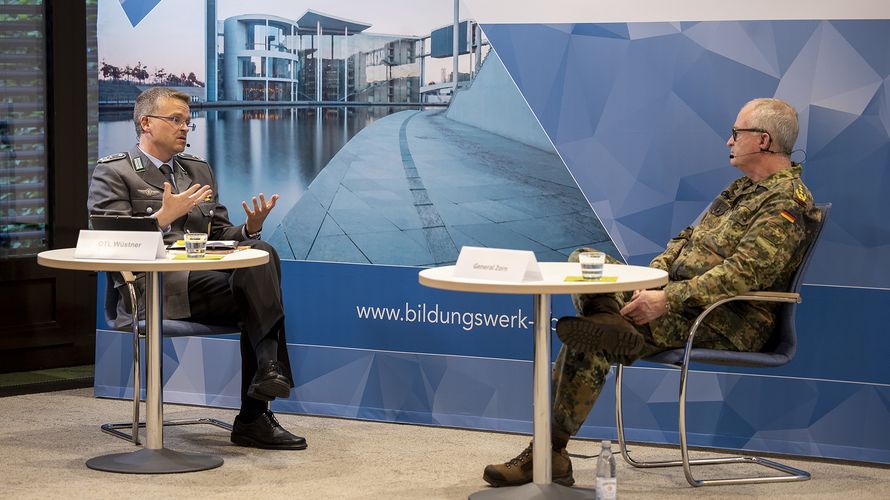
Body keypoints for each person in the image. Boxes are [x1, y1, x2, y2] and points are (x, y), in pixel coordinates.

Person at [482, 97, 822, 487]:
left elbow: (744, 274)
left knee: (590, 339)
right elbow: (685, 241)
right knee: (585, 259)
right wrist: (651, 281)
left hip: (726, 319)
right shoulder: (740, 189)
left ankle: (548, 453)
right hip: (677, 299)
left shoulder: (787, 201)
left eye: (735, 133)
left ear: (763, 140)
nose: (729, 142)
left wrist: (666, 299)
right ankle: (610, 322)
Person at [88, 87, 306, 450]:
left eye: (187, 122)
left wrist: (249, 229)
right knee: (260, 302)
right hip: (153, 290)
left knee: (262, 252)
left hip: (204, 282)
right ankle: (257, 408)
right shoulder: (116, 171)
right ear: (145, 123)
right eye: (175, 120)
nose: (185, 128)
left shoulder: (197, 169)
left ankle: (266, 378)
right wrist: (160, 219)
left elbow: (220, 233)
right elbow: (105, 238)